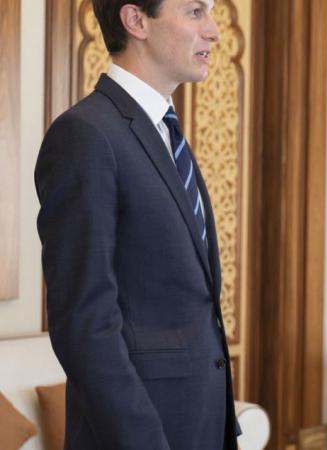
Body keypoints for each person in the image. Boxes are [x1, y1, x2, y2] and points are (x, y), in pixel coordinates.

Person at [34, 0, 240, 448]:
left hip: (200, 425)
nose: (214, 31)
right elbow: (85, 326)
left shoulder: (164, 131)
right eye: (195, 12)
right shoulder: (84, 135)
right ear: (136, 21)